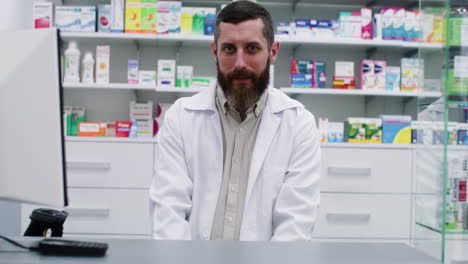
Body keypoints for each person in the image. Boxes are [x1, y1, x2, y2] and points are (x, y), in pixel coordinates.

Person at [149, 0, 321, 241]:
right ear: (214, 51)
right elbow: (168, 212)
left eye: (252, 48)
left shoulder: (299, 124)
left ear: (273, 52)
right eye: (229, 49)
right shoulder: (180, 117)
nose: (240, 63)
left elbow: (295, 224)